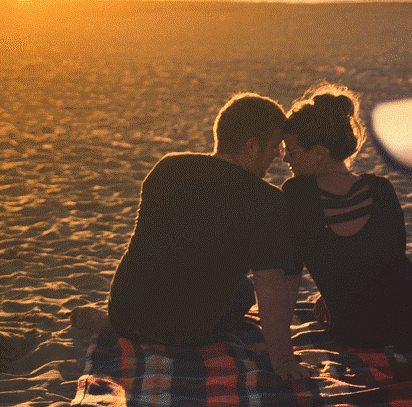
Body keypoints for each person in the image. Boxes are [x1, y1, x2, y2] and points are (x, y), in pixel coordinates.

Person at [71, 92, 315, 380]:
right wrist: (283, 361)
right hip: (186, 331)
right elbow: (270, 288)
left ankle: (113, 324)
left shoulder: (168, 166)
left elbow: (150, 247)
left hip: (125, 311)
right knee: (245, 290)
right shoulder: (267, 199)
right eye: (274, 147)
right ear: (251, 147)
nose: (278, 156)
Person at [280, 83, 412, 348]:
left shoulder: (296, 194)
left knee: (386, 305)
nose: (285, 160)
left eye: (290, 151)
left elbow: (291, 274)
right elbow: (388, 259)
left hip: (353, 328)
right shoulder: (380, 188)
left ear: (317, 153)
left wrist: (279, 343)